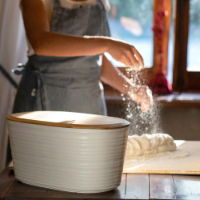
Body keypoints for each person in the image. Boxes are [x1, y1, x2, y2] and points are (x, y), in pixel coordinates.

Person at [13, 0, 153, 115]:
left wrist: (132, 90)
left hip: (88, 106)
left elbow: (96, 62)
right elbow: (41, 43)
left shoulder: (100, 3)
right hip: (45, 103)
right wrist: (107, 44)